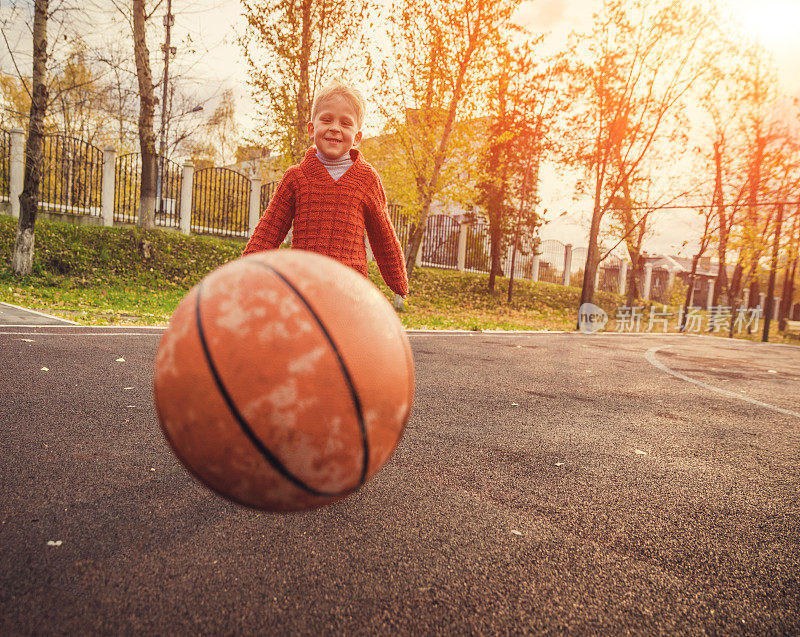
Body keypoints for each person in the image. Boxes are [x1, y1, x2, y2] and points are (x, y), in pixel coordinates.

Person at [243, 79, 409, 299]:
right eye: (327, 119)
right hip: (303, 288)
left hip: (350, 290)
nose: (335, 128)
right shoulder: (296, 177)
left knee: (344, 335)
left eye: (346, 123)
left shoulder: (366, 179)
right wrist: (243, 274)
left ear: (357, 137)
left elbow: (383, 236)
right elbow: (268, 232)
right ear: (312, 129)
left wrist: (398, 281)